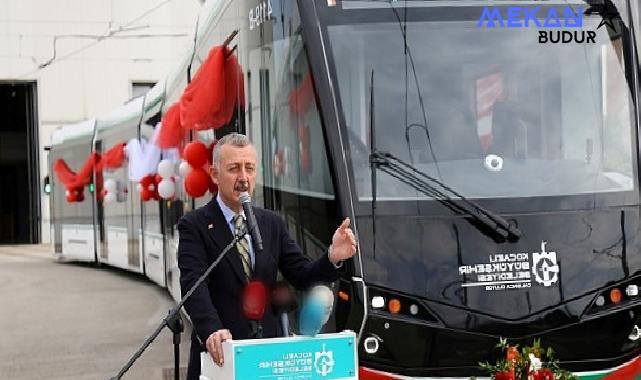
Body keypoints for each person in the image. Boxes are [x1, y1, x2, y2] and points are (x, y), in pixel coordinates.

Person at [177, 133, 357, 380]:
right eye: (234, 169)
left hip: (267, 360)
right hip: (221, 359)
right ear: (214, 174)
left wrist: (332, 256)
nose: (243, 178)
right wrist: (212, 330)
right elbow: (194, 286)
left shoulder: (271, 223)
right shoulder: (194, 225)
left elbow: (302, 274)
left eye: (249, 168)